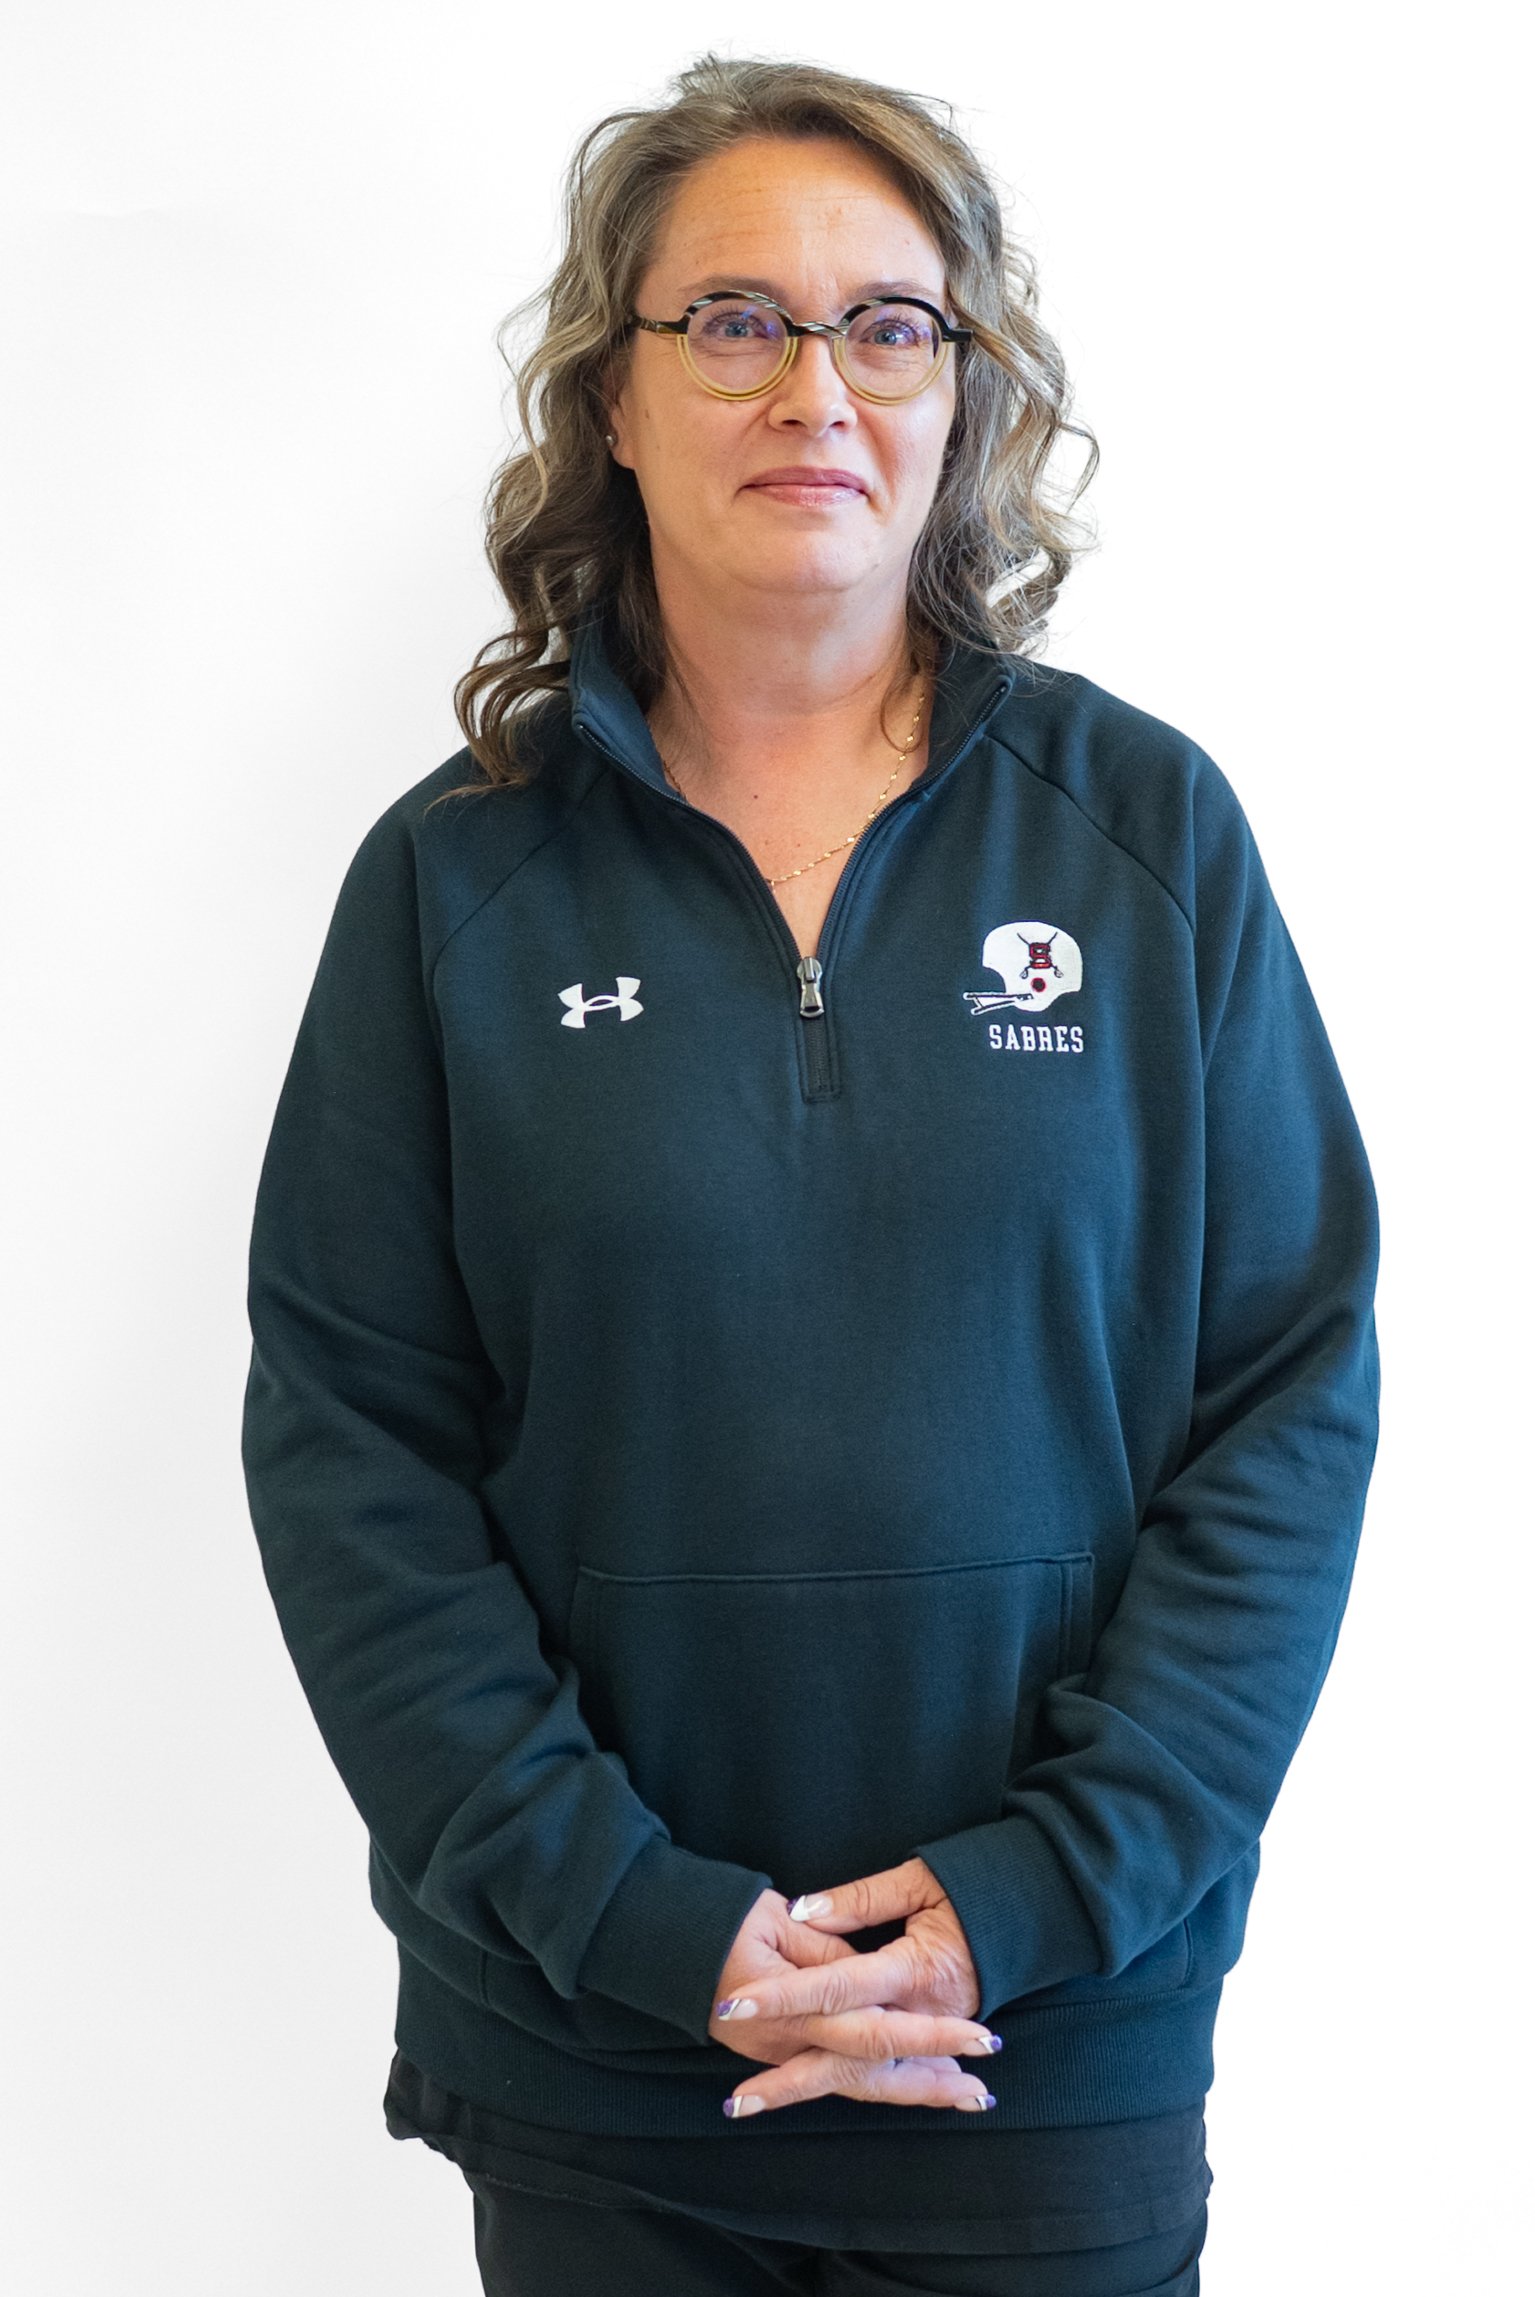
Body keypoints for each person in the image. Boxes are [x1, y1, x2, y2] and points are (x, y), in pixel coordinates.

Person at [241, 49, 1380, 2297]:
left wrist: (1050, 1890)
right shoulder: (454, 888)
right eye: (736, 320)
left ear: (963, 397)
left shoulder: (1148, 848)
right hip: (602, 2055)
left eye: (888, 324)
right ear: (621, 396)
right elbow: (350, 1444)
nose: (816, 387)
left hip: (1047, 2048)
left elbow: (1290, 1403)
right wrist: (642, 1919)